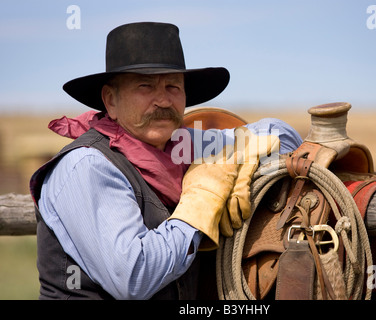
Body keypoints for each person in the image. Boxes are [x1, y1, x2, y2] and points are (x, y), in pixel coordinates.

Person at [30, 22, 302, 300]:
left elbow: (281, 134)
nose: (162, 100)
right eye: (145, 86)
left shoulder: (184, 145)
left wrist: (240, 158)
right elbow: (135, 277)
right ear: (110, 101)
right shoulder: (87, 166)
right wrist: (201, 201)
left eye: (173, 86)